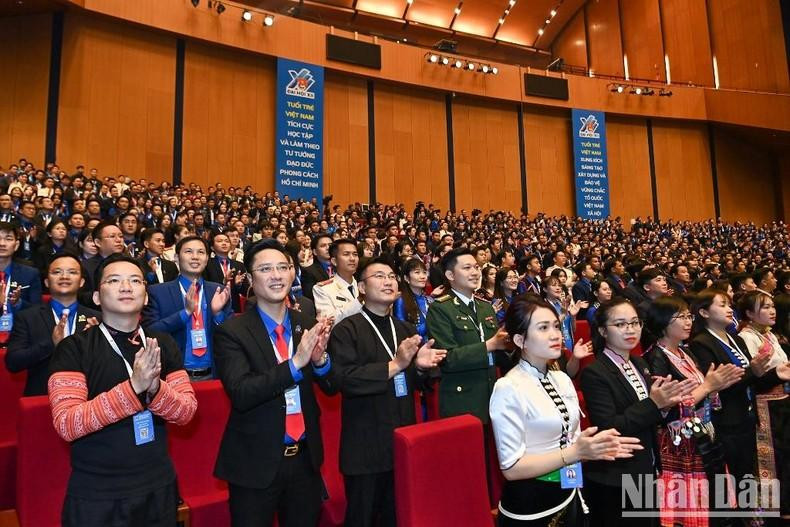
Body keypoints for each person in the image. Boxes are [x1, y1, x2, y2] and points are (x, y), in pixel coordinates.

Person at [47, 254, 197, 527]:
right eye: (114, 281)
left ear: (146, 296)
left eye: (135, 280)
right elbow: (67, 423)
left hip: (158, 485)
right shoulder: (74, 347)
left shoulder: (161, 343)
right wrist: (134, 388)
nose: (126, 287)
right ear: (96, 297)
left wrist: (154, 388)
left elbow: (186, 412)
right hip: (98, 492)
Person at [213, 240, 336, 527]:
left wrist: (319, 361)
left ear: (293, 274)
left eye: (283, 267)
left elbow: (332, 386)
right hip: (255, 462)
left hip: (305, 460)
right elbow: (242, 392)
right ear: (251, 279)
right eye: (266, 269)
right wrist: (295, 364)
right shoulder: (233, 331)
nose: (277, 275)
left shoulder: (305, 322)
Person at [490, 296, 642, 526]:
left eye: (556, 326)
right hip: (531, 506)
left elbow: (569, 437)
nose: (555, 335)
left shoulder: (561, 378)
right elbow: (511, 468)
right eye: (543, 328)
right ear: (521, 340)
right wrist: (575, 453)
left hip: (568, 492)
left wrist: (597, 444)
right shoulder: (508, 387)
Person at [328, 256, 446, 527]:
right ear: (361, 287)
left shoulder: (405, 329)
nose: (388, 281)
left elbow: (419, 384)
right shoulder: (347, 330)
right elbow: (344, 380)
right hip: (365, 448)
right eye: (379, 276)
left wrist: (420, 368)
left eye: (392, 276)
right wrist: (396, 365)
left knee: (399, 517)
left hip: (402, 441)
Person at [581, 298, 696, 527]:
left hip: (646, 464)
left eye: (635, 323)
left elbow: (649, 414)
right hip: (617, 475)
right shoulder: (595, 372)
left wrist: (664, 406)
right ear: (603, 331)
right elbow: (610, 426)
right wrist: (654, 404)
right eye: (621, 324)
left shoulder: (639, 362)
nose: (630, 329)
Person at [688, 288, 789, 520]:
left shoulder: (732, 337)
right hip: (725, 419)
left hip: (746, 413)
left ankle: (750, 516)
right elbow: (719, 384)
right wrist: (752, 372)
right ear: (704, 312)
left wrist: (776, 374)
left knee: (745, 472)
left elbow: (751, 377)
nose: (729, 309)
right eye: (722, 305)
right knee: (732, 478)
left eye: (729, 304)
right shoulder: (702, 343)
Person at [643, 296, 744, 526]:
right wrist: (708, 387)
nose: (688, 322)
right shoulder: (656, 357)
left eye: (689, 316)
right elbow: (666, 408)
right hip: (678, 443)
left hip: (701, 434)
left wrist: (714, 387)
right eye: (681, 317)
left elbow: (702, 390)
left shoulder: (685, 352)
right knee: (688, 510)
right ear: (663, 322)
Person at [426, 248, 509, 422]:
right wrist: (490, 345)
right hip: (462, 400)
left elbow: (500, 354)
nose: (475, 272)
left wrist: (514, 344)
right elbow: (448, 358)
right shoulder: (440, 308)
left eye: (477, 267)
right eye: (467, 268)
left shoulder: (485, 306)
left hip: (493, 397)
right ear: (450, 275)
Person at [6, 253, 101, 396]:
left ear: (81, 282)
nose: (64, 276)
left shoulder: (96, 318)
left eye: (72, 272)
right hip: (43, 398)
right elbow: (13, 362)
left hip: (89, 400)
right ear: (46, 282)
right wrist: (52, 343)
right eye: (57, 272)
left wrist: (95, 343)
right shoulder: (27, 317)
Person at [142, 236, 233, 380]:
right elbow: (149, 332)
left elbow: (232, 334)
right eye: (189, 252)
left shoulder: (218, 291)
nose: (195, 257)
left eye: (201, 252)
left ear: (207, 258)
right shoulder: (158, 292)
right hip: (174, 376)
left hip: (214, 375)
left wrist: (217, 314)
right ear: (177, 257)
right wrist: (185, 313)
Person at [736, 290, 790, 522]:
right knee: (772, 457)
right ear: (749, 313)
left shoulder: (770, 335)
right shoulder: (747, 337)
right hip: (765, 404)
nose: (772, 310)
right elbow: (755, 377)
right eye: (765, 307)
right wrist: (780, 373)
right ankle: (772, 509)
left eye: (772, 306)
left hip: (782, 402)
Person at [0, 221, 42, 344]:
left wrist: (18, 303)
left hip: (20, 338)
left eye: (8, 239)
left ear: (17, 245)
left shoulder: (30, 274)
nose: (2, 243)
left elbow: (38, 311)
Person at [313, 238, 361, 325]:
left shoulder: (364, 285)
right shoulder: (323, 289)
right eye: (346, 254)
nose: (352, 258)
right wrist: (359, 301)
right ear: (334, 261)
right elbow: (328, 322)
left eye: (355, 254)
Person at [203, 232, 246, 312]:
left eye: (226, 241)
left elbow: (245, 292)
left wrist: (238, 285)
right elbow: (205, 289)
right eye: (220, 241)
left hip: (235, 309)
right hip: (214, 310)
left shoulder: (239, 265)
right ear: (212, 247)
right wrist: (224, 282)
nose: (224, 243)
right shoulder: (206, 264)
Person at [393, 257, 433, 340]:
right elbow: (403, 330)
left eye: (424, 272)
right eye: (417, 272)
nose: (423, 276)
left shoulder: (429, 300)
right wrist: (432, 323)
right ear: (406, 278)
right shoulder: (400, 301)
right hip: (416, 347)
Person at [300, 233, 333, 301]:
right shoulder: (308, 271)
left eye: (330, 245)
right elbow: (310, 297)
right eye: (323, 246)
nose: (328, 248)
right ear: (315, 252)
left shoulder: (341, 267)